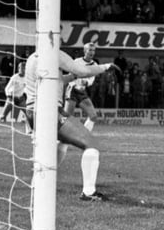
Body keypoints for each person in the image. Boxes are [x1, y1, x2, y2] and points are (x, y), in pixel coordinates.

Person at [25, 49, 119, 201]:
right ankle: (89, 192)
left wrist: (73, 76)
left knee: (63, 142)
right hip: (49, 112)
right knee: (91, 143)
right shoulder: (51, 53)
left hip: (32, 112)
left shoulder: (31, 58)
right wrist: (106, 66)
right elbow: (82, 70)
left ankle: (39, 182)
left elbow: (60, 79)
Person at [62, 42, 101, 131]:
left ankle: (84, 136)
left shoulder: (95, 65)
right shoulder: (77, 62)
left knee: (93, 116)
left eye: (93, 50)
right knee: (67, 118)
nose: (92, 52)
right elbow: (70, 76)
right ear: (85, 51)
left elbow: (91, 80)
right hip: (72, 89)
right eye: (90, 50)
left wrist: (86, 82)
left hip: (82, 91)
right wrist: (77, 82)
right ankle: (60, 139)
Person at [0, 61, 31, 134]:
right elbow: (7, 88)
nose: (23, 70)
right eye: (21, 68)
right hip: (11, 99)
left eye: (24, 68)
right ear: (19, 69)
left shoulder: (27, 78)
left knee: (28, 114)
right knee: (3, 116)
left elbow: (26, 88)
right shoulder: (14, 77)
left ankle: (29, 130)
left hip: (20, 99)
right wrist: (9, 96)